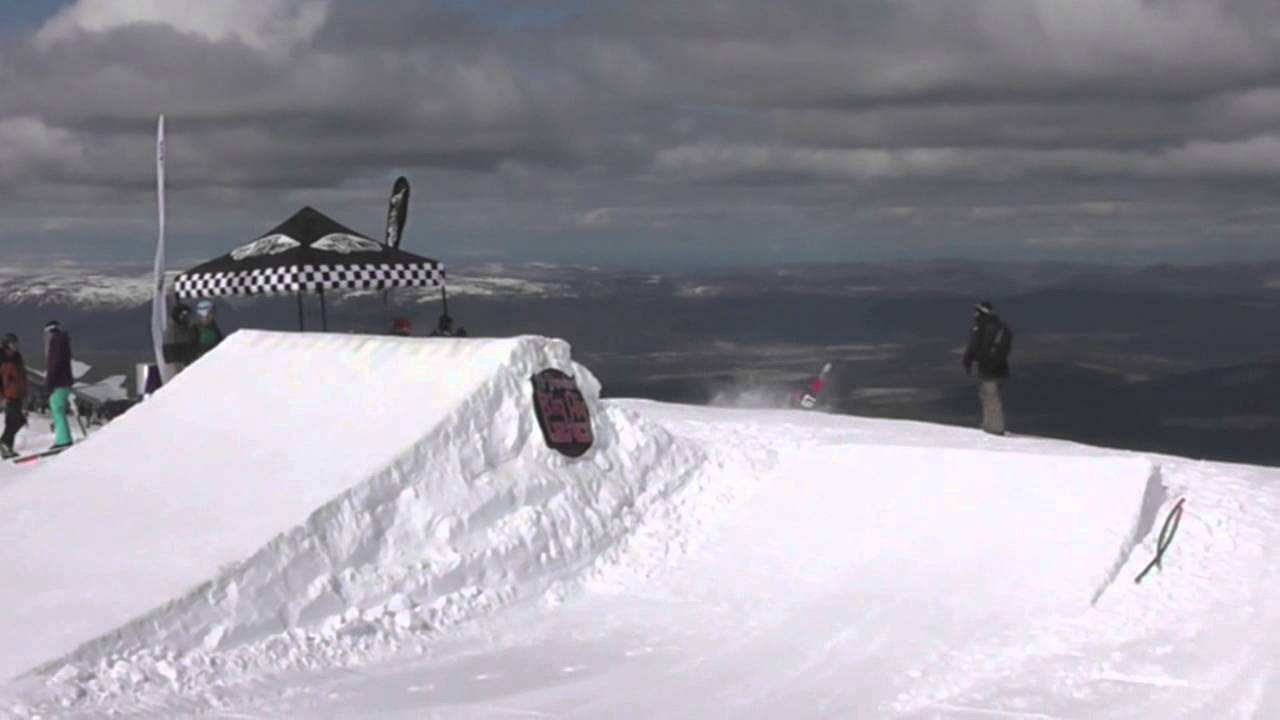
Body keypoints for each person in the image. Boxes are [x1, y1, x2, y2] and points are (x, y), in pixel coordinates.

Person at [962, 301, 1013, 436]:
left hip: (987, 367)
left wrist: (967, 361)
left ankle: (994, 428)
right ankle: (991, 425)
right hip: (1001, 368)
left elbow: (974, 345)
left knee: (989, 397)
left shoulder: (980, 326)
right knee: (991, 396)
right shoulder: (1000, 326)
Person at [44, 320, 74, 450]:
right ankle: (65, 438)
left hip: (58, 383)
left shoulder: (55, 343)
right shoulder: (64, 342)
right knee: (59, 409)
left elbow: (53, 365)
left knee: (57, 410)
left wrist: (49, 384)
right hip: (66, 381)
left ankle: (63, 440)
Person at [0, 333, 28, 459]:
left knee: (11, 422)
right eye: (13, 343)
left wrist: (24, 392)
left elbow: (22, 376)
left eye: (16, 343)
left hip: (17, 393)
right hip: (8, 395)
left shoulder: (17, 356)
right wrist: (2, 397)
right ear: (7, 344)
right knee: (18, 420)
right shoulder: (1, 357)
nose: (15, 345)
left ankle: (7, 449)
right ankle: (4, 443)